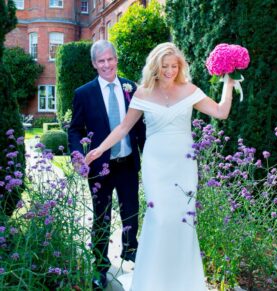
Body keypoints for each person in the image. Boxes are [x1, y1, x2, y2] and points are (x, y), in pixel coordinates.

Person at [85, 42, 235, 291]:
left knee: (182, 219)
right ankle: (152, 281)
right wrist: (100, 149)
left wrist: (229, 82)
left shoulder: (190, 90)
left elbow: (221, 112)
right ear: (155, 66)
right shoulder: (142, 93)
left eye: (174, 66)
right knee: (161, 218)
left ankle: (182, 281)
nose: (169, 70)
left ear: (180, 66)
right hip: (156, 165)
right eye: (165, 66)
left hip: (183, 164)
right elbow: (123, 127)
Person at [68, 40, 145, 290]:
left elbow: (140, 127)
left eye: (110, 59)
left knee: (131, 212)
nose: (106, 65)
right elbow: (75, 129)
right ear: (94, 64)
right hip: (100, 167)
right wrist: (78, 156)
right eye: (101, 61)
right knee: (101, 217)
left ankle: (130, 255)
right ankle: (100, 267)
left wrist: (150, 156)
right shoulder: (84, 93)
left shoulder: (130, 87)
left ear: (116, 59)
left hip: (127, 163)